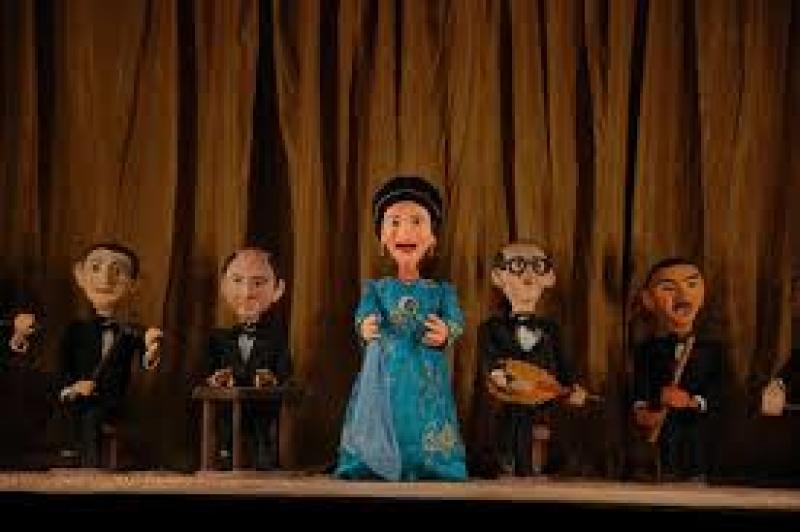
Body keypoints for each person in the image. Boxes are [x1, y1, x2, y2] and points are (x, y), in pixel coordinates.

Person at [334, 175, 467, 481]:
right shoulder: (376, 289)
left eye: (417, 221)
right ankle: (371, 460)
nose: (405, 231)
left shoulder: (440, 291)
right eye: (394, 222)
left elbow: (456, 320)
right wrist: (365, 326)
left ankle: (431, 462)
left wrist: (447, 331)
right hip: (384, 372)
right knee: (386, 413)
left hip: (426, 371)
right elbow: (363, 315)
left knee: (425, 417)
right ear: (382, 237)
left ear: (432, 238)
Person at [479, 241, 587, 477]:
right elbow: (491, 362)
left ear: (549, 278)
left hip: (543, 409)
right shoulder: (491, 328)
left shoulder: (552, 330)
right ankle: (509, 464)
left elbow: (563, 367)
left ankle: (534, 467)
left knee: (539, 442)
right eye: (517, 265)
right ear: (498, 277)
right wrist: (503, 378)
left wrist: (572, 389)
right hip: (508, 408)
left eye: (538, 266)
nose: (528, 274)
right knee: (510, 435)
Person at [57, 243, 162, 468]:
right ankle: (72, 457)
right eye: (96, 268)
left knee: (93, 414)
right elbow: (63, 366)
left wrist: (151, 349)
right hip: (76, 398)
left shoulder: (130, 330)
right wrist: (73, 388)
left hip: (113, 401)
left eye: (117, 271)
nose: (105, 278)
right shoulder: (75, 330)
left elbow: (146, 357)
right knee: (75, 411)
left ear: (134, 284)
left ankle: (91, 467)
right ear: (79, 275)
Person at [631, 257, 723, 481]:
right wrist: (643, 410)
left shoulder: (713, 351)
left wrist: (693, 401)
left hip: (697, 436)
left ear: (703, 294)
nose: (683, 297)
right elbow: (640, 386)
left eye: (691, 285)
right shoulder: (647, 350)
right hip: (662, 437)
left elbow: (721, 389)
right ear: (648, 300)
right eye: (668, 288)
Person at [206, 247, 292, 470]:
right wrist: (217, 379)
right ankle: (223, 456)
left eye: (258, 283)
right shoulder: (218, 338)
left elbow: (286, 374)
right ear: (224, 286)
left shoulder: (276, 339)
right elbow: (206, 371)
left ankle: (265, 457)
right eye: (237, 281)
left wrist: (272, 380)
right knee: (226, 430)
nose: (247, 293)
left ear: (278, 290)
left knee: (263, 431)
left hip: (262, 410)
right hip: (227, 411)